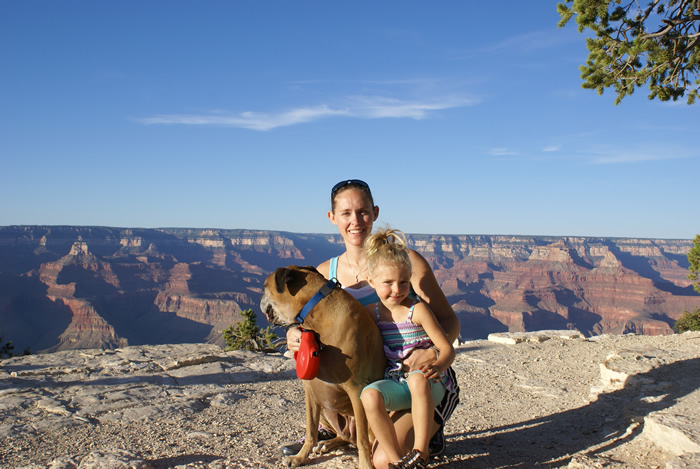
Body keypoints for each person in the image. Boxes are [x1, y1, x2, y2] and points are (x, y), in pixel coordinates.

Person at [282, 179, 460, 468]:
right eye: (346, 213)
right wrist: (294, 333)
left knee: (381, 462)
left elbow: (450, 320)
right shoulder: (325, 274)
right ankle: (338, 429)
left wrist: (435, 354)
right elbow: (308, 324)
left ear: (375, 213)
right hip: (373, 385)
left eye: (363, 212)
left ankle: (429, 431)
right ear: (332, 218)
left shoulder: (406, 262)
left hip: (416, 378)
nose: (356, 221)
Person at [360, 227, 456, 469]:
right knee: (369, 395)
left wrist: (438, 365)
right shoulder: (373, 314)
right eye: (388, 282)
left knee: (416, 379)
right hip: (397, 383)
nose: (397, 289)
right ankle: (397, 462)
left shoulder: (418, 310)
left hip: (430, 384)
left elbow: (447, 348)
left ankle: (420, 453)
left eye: (404, 282)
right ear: (371, 281)